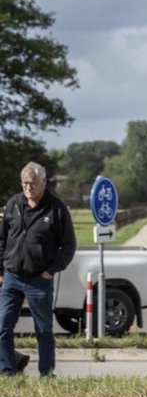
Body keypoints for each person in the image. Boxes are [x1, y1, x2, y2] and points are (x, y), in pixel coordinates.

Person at [0, 162, 76, 377]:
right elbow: (2, 239)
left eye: (32, 183)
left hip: (39, 280)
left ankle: (46, 373)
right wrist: (0, 271)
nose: (28, 188)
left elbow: (68, 246)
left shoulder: (56, 209)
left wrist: (50, 271)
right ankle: (7, 370)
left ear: (43, 182)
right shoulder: (13, 204)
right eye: (24, 183)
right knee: (2, 327)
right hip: (11, 278)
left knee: (43, 330)